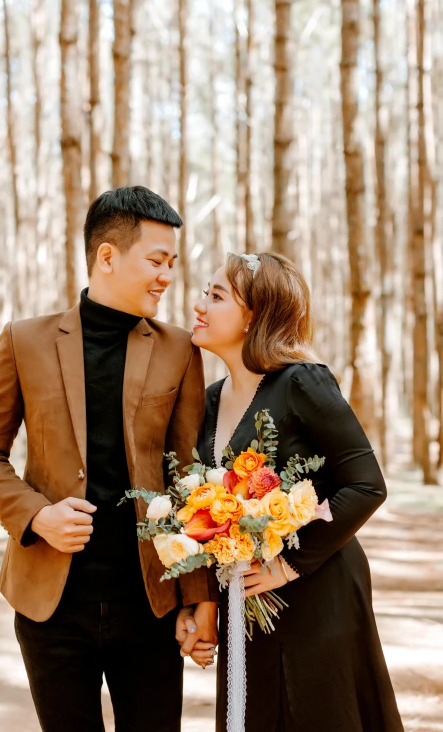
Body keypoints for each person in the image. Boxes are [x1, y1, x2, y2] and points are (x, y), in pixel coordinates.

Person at [0, 186, 218, 732]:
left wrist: (200, 597)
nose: (167, 276)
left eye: (172, 262)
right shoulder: (23, 340)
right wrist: (35, 515)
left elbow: (188, 476)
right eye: (156, 260)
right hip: (49, 604)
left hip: (150, 602)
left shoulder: (179, 349)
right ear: (106, 257)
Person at [188, 251, 404, 731]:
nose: (199, 304)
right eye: (205, 291)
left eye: (216, 295)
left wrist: (288, 563)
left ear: (254, 316)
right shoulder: (207, 402)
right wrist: (202, 601)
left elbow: (366, 485)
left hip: (318, 589)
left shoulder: (302, 381)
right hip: (245, 600)